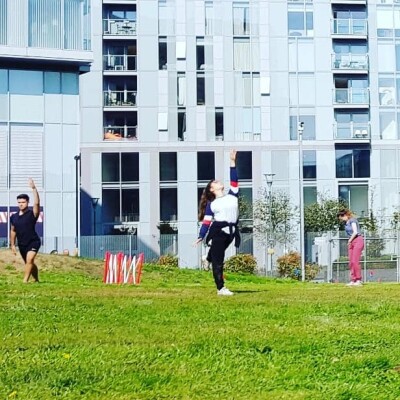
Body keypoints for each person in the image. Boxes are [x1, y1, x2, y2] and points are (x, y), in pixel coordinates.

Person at [194, 150, 240, 296]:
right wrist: (201, 236)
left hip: (232, 232)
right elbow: (207, 222)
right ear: (212, 189)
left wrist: (232, 162)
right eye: (214, 183)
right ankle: (221, 288)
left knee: (215, 255)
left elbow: (234, 180)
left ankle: (206, 258)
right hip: (219, 232)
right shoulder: (212, 205)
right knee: (218, 260)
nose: (218, 182)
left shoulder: (233, 195)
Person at [10, 178, 41, 283]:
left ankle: (25, 281)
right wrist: (13, 244)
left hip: (33, 241)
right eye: (19, 202)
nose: (21, 204)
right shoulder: (14, 217)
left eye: (23, 202)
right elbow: (13, 230)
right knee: (29, 263)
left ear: (27, 202)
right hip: (22, 244)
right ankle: (36, 279)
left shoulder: (32, 214)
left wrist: (34, 188)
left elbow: (37, 203)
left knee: (30, 260)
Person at [337, 209, 364, 286]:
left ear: (345, 215)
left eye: (342, 217)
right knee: (351, 262)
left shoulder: (353, 220)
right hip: (351, 242)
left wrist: (350, 240)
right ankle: (353, 279)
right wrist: (350, 241)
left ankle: (358, 280)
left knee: (355, 261)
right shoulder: (346, 223)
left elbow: (355, 232)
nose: (341, 219)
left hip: (357, 240)